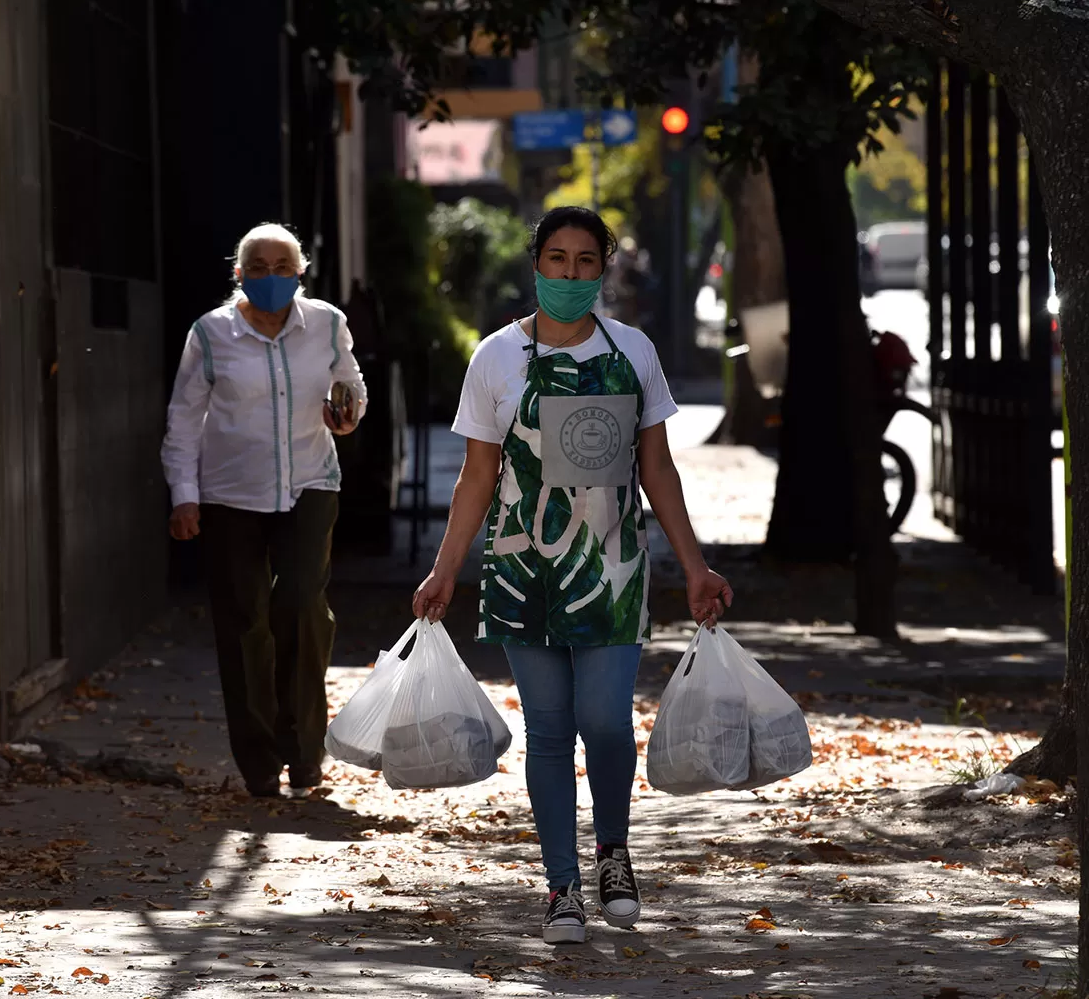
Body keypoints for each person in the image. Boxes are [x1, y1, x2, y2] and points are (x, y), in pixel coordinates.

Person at [411, 206, 733, 944]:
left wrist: (694, 566)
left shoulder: (634, 351)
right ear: (536, 265)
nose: (569, 273)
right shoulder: (494, 358)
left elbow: (657, 467)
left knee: (604, 722)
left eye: (586, 260)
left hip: (614, 565)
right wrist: (444, 572)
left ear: (604, 269)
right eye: (556, 258)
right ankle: (562, 888)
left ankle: (613, 853)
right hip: (522, 569)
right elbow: (476, 478)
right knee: (551, 732)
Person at [161, 223, 367, 799]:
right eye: (258, 266)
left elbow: (351, 386)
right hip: (230, 494)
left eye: (283, 267)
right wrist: (184, 494)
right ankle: (258, 763)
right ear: (238, 274)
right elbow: (183, 419)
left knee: (301, 604)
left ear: (300, 273)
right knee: (244, 621)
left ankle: (304, 750)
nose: (271, 277)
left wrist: (347, 414)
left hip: (310, 482)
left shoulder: (326, 323)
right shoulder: (210, 334)